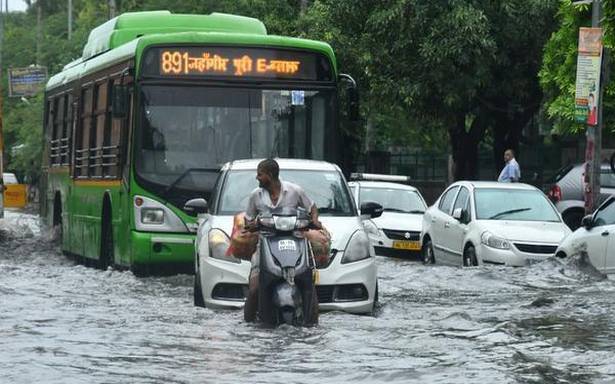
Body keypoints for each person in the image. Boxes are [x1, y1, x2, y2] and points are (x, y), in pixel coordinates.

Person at [243, 158, 321, 322]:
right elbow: (248, 219)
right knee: (255, 288)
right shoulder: (255, 195)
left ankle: (312, 322)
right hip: (265, 243)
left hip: (295, 241)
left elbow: (312, 207)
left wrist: (314, 220)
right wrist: (252, 225)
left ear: (270, 175)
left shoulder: (295, 191)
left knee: (308, 283)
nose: (257, 178)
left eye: (260, 174)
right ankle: (248, 324)